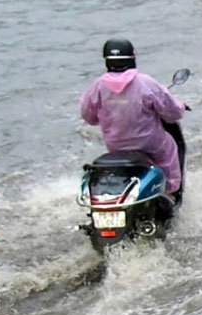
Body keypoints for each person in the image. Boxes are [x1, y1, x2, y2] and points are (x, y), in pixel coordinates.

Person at [80, 38, 187, 199]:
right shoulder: (145, 82)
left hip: (116, 146)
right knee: (170, 147)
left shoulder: (98, 86)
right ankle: (171, 191)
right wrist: (181, 106)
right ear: (132, 58)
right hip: (149, 145)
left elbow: (89, 116)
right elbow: (171, 112)